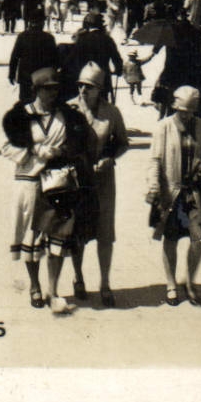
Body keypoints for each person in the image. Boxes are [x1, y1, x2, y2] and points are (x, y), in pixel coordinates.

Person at [2, 67, 90, 313]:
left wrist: (63, 153)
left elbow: (76, 143)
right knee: (31, 237)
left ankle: (53, 289)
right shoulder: (23, 116)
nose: (53, 93)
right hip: (29, 182)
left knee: (57, 237)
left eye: (55, 88)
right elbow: (7, 148)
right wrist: (33, 151)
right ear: (37, 90)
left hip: (57, 183)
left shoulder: (65, 116)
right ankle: (34, 285)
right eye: (47, 89)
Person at [144, 85, 201, 306]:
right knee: (171, 238)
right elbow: (155, 160)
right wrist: (154, 186)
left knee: (198, 238)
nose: (186, 115)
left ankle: (190, 281)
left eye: (190, 111)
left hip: (194, 192)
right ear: (174, 107)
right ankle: (171, 283)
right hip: (171, 193)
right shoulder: (163, 127)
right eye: (182, 110)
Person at [67, 66, 130, 308]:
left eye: (89, 87)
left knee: (105, 233)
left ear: (100, 89)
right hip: (77, 179)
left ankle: (104, 283)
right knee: (78, 232)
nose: (83, 90)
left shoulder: (111, 113)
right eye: (80, 85)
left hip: (103, 181)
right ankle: (78, 277)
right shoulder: (70, 109)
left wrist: (110, 157)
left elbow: (123, 143)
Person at [9, 11, 60, 105]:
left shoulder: (22, 36)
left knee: (25, 103)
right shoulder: (49, 38)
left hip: (25, 77)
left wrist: (11, 74)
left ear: (30, 22)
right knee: (41, 103)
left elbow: (15, 57)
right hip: (43, 78)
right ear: (42, 23)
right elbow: (55, 60)